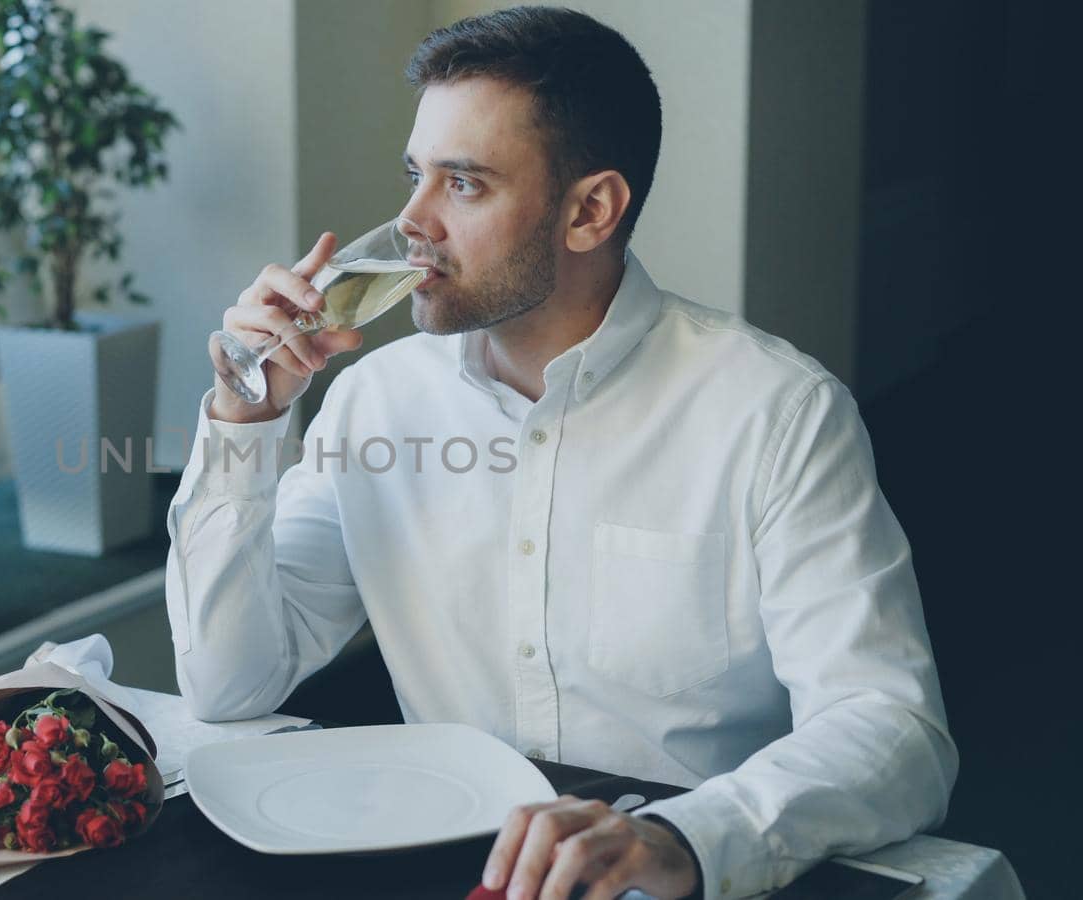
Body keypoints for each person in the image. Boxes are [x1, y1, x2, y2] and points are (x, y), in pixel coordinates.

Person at [164, 6, 956, 899]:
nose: (411, 222)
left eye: (462, 185)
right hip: (447, 870)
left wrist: (684, 838)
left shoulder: (778, 414)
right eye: (414, 175)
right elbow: (228, 685)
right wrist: (243, 422)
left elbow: (894, 730)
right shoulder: (373, 402)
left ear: (590, 210)